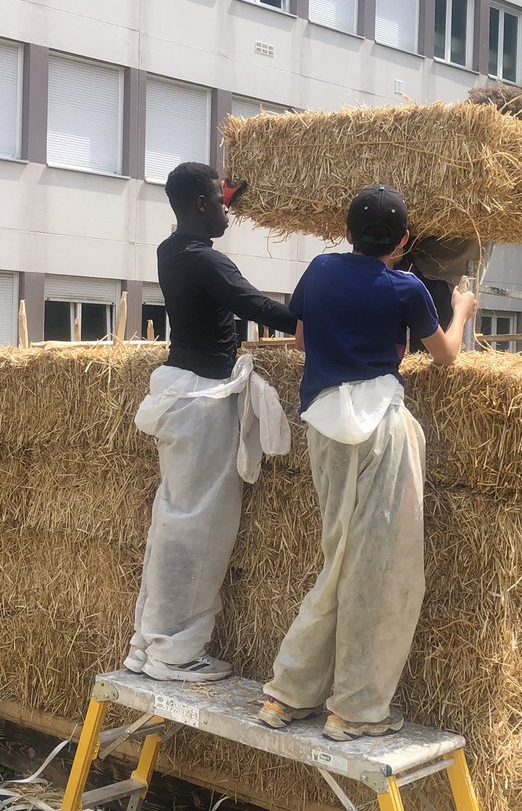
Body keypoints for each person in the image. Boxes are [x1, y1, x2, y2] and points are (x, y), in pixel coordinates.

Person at [257, 185, 477, 740]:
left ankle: (288, 694)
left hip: (324, 425)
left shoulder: (319, 269)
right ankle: (355, 710)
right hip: (380, 425)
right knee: (380, 569)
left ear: (346, 233)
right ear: (404, 241)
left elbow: (302, 339)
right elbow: (446, 357)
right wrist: (461, 311)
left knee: (338, 557)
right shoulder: (406, 287)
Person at [124, 161, 298, 683]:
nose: (229, 211)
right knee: (201, 529)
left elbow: (208, 220)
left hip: (181, 391)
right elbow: (261, 308)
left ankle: (148, 644)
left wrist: (228, 193)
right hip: (202, 402)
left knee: (174, 520)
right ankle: (175, 654)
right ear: (201, 204)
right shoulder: (207, 261)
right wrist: (329, 312)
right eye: (221, 203)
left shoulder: (172, 250)